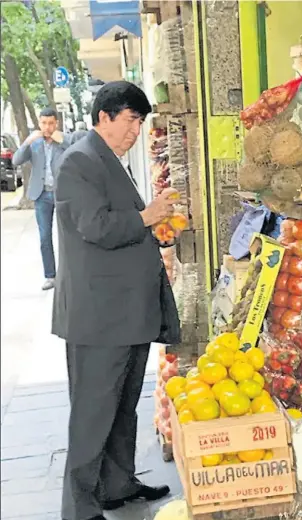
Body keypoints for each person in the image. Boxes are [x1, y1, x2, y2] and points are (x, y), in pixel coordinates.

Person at [52, 81, 180, 520]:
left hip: (125, 313)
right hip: (98, 317)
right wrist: (147, 216)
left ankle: (117, 484)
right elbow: (97, 226)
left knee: (122, 407)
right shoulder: (79, 162)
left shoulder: (109, 160)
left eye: (141, 123)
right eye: (131, 121)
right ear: (104, 117)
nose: (136, 132)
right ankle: (80, 509)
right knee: (92, 414)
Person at [12, 108, 72, 291]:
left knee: (67, 236)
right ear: (39, 124)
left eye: (51, 123)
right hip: (41, 195)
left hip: (62, 195)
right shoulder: (35, 144)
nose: (47, 127)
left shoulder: (62, 141)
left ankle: (69, 274)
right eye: (44, 123)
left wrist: (63, 141)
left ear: (57, 123)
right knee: (45, 236)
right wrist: (28, 141)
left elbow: (77, 154)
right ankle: (50, 276)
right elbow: (16, 160)